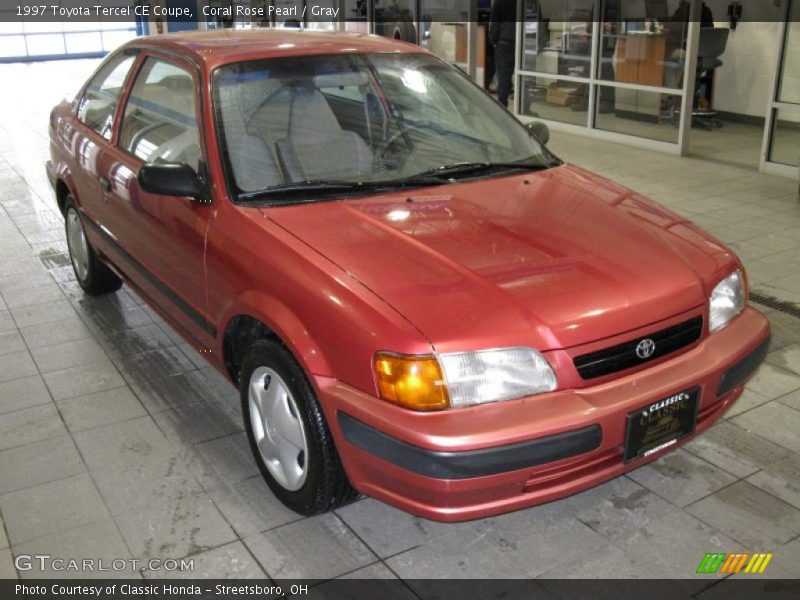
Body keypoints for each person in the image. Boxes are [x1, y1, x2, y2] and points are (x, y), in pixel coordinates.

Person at [489, 0, 517, 108]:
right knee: (525, 77)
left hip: (504, 41)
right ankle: (525, 108)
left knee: (504, 75)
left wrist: (494, 41)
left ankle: (502, 105)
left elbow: (494, 23)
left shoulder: (499, 2)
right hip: (524, 42)